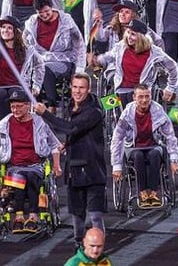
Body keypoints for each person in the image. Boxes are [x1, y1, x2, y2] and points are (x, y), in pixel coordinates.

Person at [34, 73, 105, 246]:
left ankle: (98, 247)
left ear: (88, 89)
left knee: (95, 214)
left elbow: (72, 127)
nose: (77, 91)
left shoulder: (94, 111)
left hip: (93, 170)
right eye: (75, 87)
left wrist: (46, 114)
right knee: (77, 213)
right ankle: (78, 245)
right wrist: (68, 144)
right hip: (74, 168)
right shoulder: (71, 106)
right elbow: (77, 132)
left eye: (81, 87)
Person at [0, 90, 62, 233]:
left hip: (36, 165)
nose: (15, 110)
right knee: (18, 178)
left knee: (32, 177)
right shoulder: (5, 124)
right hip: (14, 166)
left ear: (28, 106)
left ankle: (33, 216)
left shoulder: (39, 122)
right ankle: (19, 217)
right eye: (12, 107)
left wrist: (57, 165)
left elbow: (54, 145)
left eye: (19, 106)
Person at [110, 84, 178, 207]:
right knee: (138, 156)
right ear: (134, 98)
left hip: (153, 145)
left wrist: (174, 159)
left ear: (151, 97)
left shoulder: (158, 110)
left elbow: (170, 135)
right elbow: (117, 139)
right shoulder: (127, 114)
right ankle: (142, 193)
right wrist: (116, 166)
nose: (144, 100)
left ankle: (153, 193)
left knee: (155, 154)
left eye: (147, 97)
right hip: (133, 147)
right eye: (141, 97)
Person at [23, 0, 86, 112]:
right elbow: (24, 42)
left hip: (63, 60)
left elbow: (79, 44)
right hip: (39, 59)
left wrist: (80, 68)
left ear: (51, 7)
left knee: (44, 68)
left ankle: (51, 107)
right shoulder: (32, 23)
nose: (44, 15)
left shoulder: (66, 21)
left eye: (46, 11)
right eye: (40, 13)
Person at [92, 19, 178, 106]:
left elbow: (173, 67)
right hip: (120, 90)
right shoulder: (121, 46)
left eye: (133, 34)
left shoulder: (154, 52)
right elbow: (110, 56)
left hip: (143, 93)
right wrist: (98, 59)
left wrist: (170, 88)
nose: (129, 36)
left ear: (141, 37)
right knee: (105, 106)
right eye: (128, 32)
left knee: (160, 112)